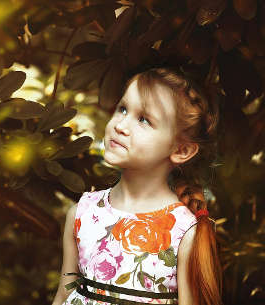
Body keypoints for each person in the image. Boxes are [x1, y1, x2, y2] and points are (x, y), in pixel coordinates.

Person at [51, 67, 222, 305]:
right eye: (122, 109)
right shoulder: (83, 213)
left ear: (181, 150)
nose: (120, 125)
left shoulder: (184, 232)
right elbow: (64, 294)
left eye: (144, 119)